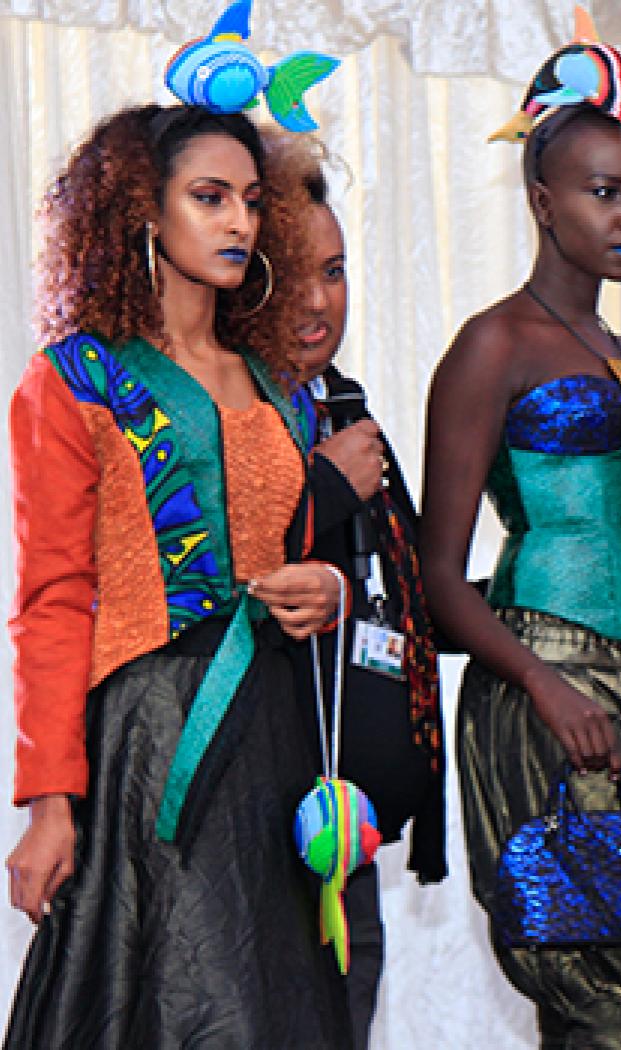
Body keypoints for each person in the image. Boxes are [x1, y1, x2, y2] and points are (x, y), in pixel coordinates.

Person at [4, 97, 352, 1046]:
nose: (239, 221)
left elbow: (302, 552)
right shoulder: (75, 380)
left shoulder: (283, 386)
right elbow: (50, 601)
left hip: (276, 730)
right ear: (143, 211)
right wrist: (48, 803)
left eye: (251, 199)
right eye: (209, 197)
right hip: (152, 740)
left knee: (276, 1008)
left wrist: (325, 592)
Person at [418, 13, 621, 1047]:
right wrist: (546, 687)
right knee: (598, 999)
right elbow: (435, 579)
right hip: (555, 683)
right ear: (543, 201)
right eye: (605, 192)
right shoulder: (493, 345)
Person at [278, 138, 447, 1049]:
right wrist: (328, 490)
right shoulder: (224, 416)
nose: (319, 301)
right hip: (253, 819)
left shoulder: (346, 409)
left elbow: (409, 595)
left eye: (335, 271)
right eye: (293, 274)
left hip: (346, 827)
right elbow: (215, 582)